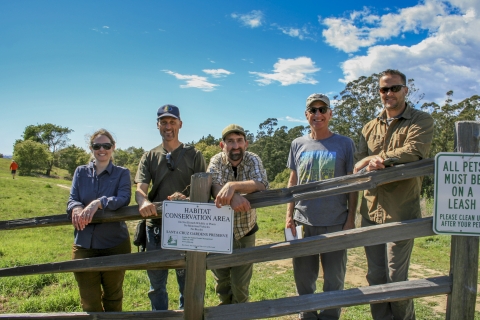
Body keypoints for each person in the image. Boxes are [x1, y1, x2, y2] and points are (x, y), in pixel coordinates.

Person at [354, 69, 434, 320]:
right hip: (371, 211)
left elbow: (414, 151)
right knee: (375, 277)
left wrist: (381, 159)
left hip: (401, 211)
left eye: (394, 88)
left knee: (396, 277)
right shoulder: (369, 127)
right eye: (383, 89)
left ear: (405, 90)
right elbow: (358, 163)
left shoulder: (421, 120)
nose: (388, 93)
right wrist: (368, 160)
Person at [285, 93, 358, 320]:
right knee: (304, 278)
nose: (318, 114)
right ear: (307, 115)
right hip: (304, 221)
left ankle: (329, 316)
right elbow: (293, 182)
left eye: (322, 109)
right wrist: (289, 215)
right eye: (313, 110)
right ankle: (307, 316)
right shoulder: (298, 144)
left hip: (335, 221)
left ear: (330, 113)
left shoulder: (345, 144)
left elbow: (352, 184)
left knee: (334, 279)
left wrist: (350, 219)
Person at [135, 104, 206, 310]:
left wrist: (186, 198)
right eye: (164, 122)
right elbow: (141, 189)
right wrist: (143, 201)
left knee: (188, 283)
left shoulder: (194, 155)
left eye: (172, 122)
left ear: (180, 124)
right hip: (155, 228)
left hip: (186, 228)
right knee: (156, 285)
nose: (168, 126)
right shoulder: (149, 156)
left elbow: (204, 191)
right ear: (157, 125)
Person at [66, 129, 131, 312]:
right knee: (89, 299)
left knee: (113, 296)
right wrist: (76, 207)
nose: (101, 149)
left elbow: (124, 198)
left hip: (114, 243)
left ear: (113, 147)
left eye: (106, 145)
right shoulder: (80, 172)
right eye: (97, 146)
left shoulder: (122, 173)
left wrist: (99, 203)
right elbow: (72, 198)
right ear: (91, 148)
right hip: (84, 244)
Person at [207, 124, 269, 305]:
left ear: (246, 143)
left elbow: (261, 183)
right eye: (230, 141)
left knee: (241, 285)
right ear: (222, 145)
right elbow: (212, 185)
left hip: (245, 230)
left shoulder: (252, 159)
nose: (235, 146)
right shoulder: (216, 160)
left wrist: (232, 186)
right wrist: (232, 196)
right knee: (222, 283)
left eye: (239, 141)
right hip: (218, 231)